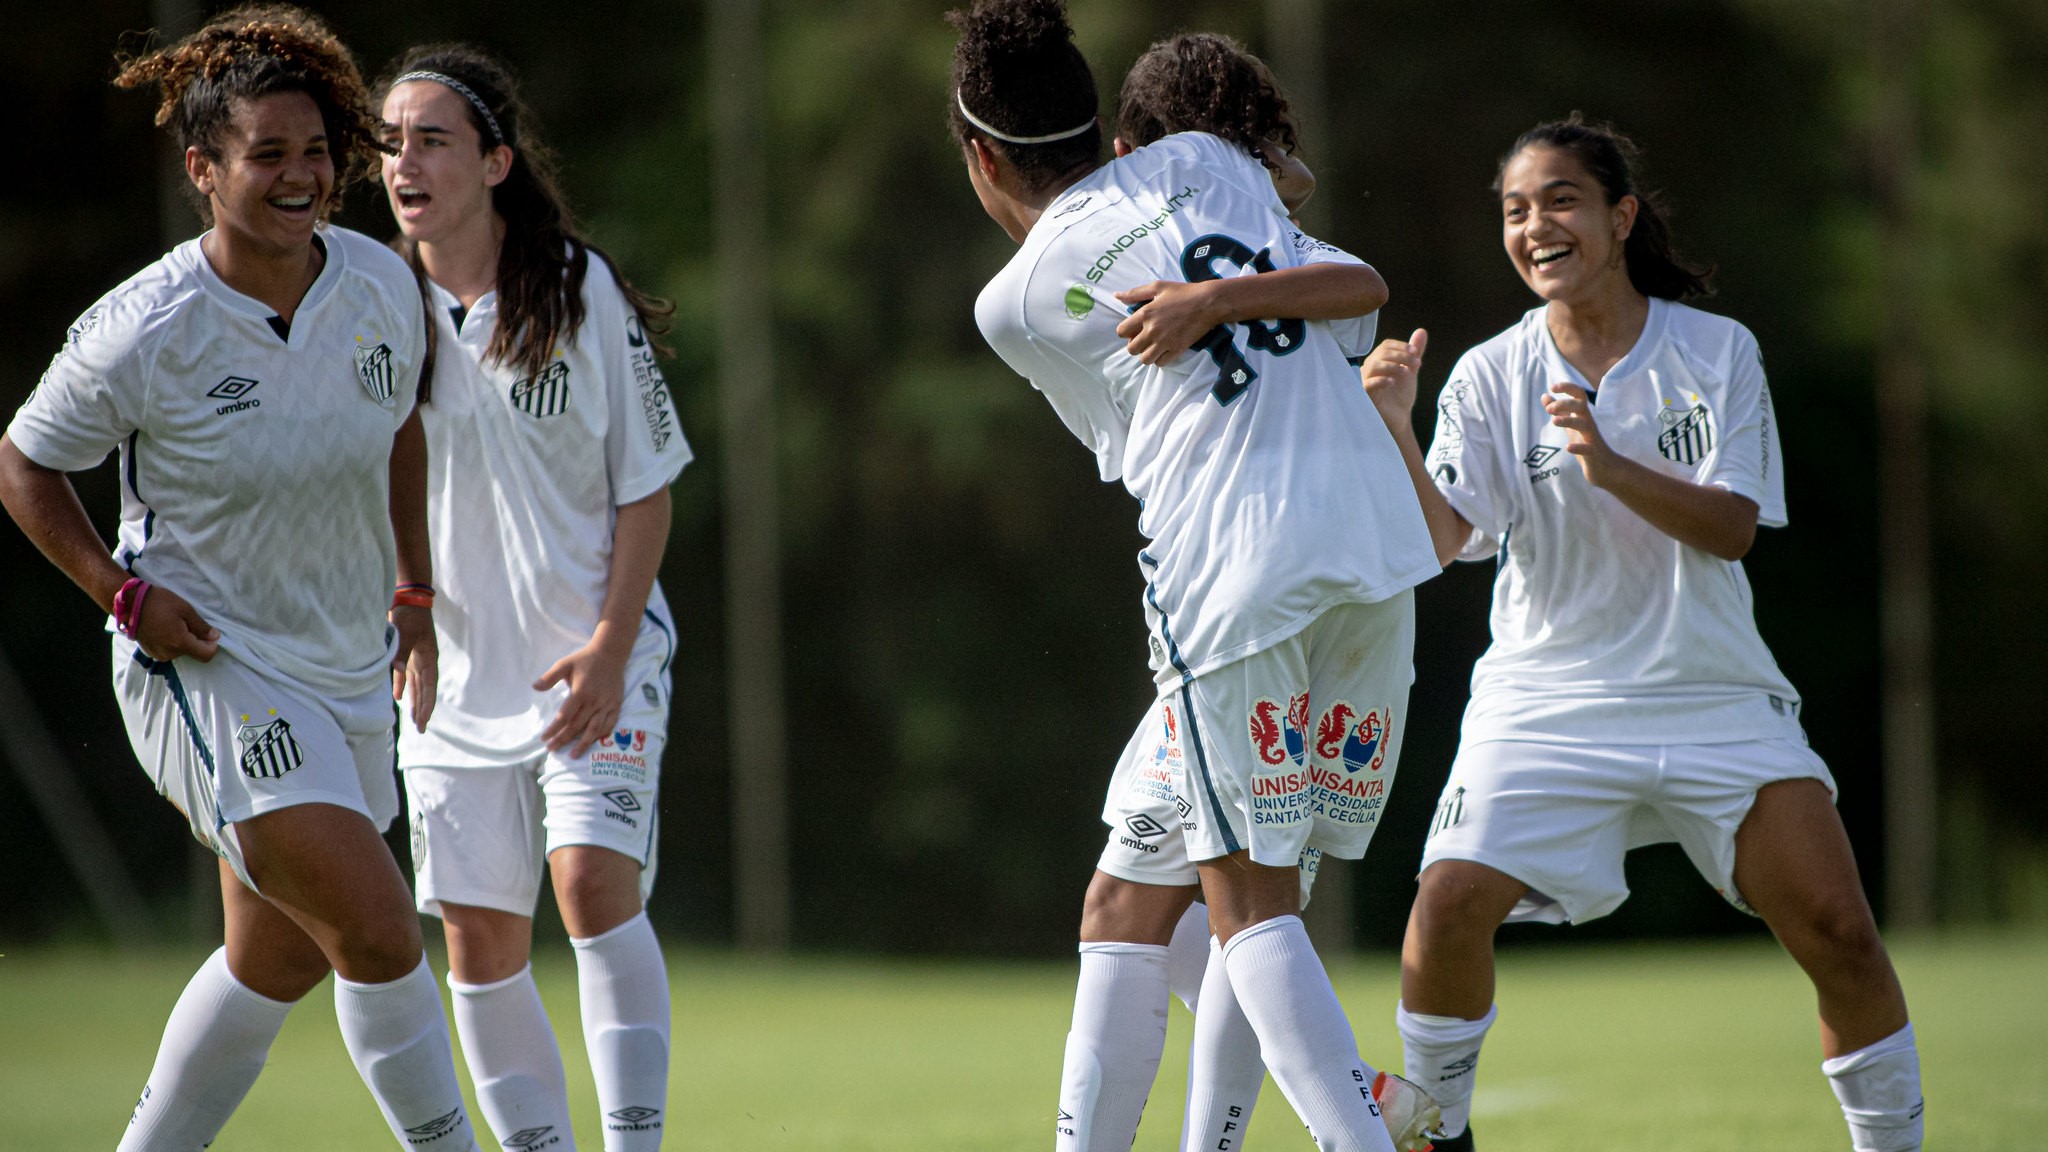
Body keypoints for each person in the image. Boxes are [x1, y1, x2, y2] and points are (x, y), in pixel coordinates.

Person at [1360, 114, 1924, 1152]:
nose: (1535, 226)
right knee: (1442, 907)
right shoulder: (1488, 375)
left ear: (1619, 218)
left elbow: (1731, 528)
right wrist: (1397, 423)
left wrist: (1608, 460)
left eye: (1560, 200)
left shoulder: (1715, 349)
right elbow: (1446, 540)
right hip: (1544, 699)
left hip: (1709, 691)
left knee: (1840, 932)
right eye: (1515, 210)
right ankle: (1437, 1137)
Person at [949, 4, 1443, 1149]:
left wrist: (1207, 301)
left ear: (980, 157)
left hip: (1228, 579)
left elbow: (1126, 448)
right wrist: (1232, 260)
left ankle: (1355, 1129)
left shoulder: (1013, 302)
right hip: (1370, 550)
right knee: (1135, 901)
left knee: (1248, 908)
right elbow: (1333, 251)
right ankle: (1328, 1106)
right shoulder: (1210, 162)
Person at [0, 7, 482, 1149]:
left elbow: (401, 423)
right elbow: (23, 463)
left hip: (345, 662)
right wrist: (123, 596)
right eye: (268, 155)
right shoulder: (145, 328)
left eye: (316, 151)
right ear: (202, 169)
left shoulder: (378, 284)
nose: (302, 176)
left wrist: (414, 596)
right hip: (207, 662)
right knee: (375, 926)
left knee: (275, 961)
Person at [376, 44, 689, 1152]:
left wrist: (610, 647)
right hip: (451, 682)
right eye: (389, 142)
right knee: (477, 943)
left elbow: (646, 487)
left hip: (589, 660)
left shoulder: (572, 286)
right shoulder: (367, 305)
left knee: (592, 885)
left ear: (496, 161)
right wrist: (403, 605)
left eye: (430, 139)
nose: (401, 160)